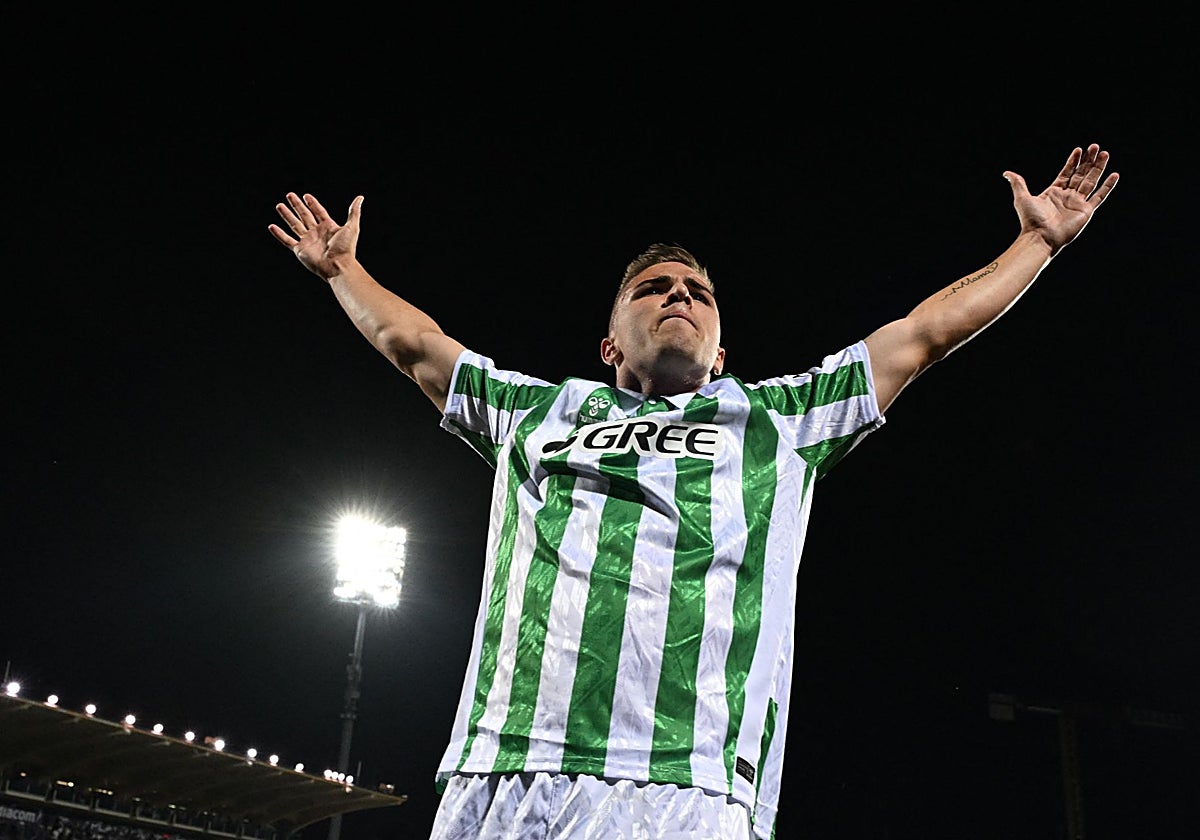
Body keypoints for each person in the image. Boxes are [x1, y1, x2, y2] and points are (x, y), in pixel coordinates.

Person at [268, 143, 1118, 839]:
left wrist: (1036, 244)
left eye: (697, 293)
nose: (679, 296)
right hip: (503, 769)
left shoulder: (779, 417)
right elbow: (416, 343)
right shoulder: (540, 411)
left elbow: (927, 334)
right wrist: (343, 269)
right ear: (609, 343)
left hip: (689, 783)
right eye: (654, 288)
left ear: (720, 353)